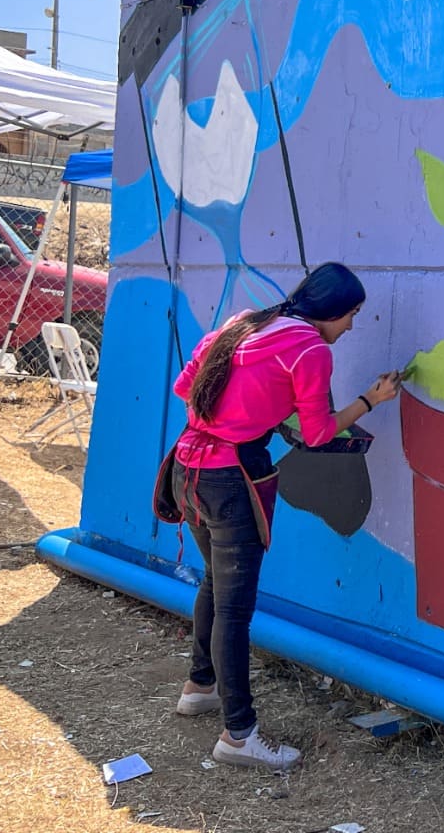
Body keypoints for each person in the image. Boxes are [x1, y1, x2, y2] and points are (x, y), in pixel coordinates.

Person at [162, 263, 401, 768]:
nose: (352, 326)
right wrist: (369, 400)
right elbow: (315, 435)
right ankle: (238, 735)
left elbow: (187, 387)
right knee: (234, 609)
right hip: (231, 478)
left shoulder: (245, 322)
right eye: (352, 315)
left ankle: (199, 686)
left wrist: (255, 406)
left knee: (214, 584)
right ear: (332, 311)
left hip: (188, 465)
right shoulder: (311, 349)